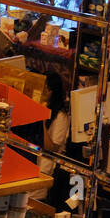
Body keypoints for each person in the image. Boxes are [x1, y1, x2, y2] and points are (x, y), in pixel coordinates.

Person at [37, 72, 72, 206]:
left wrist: (42, 122)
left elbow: (52, 148)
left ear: (51, 91)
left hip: (45, 171)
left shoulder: (60, 117)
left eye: (44, 88)